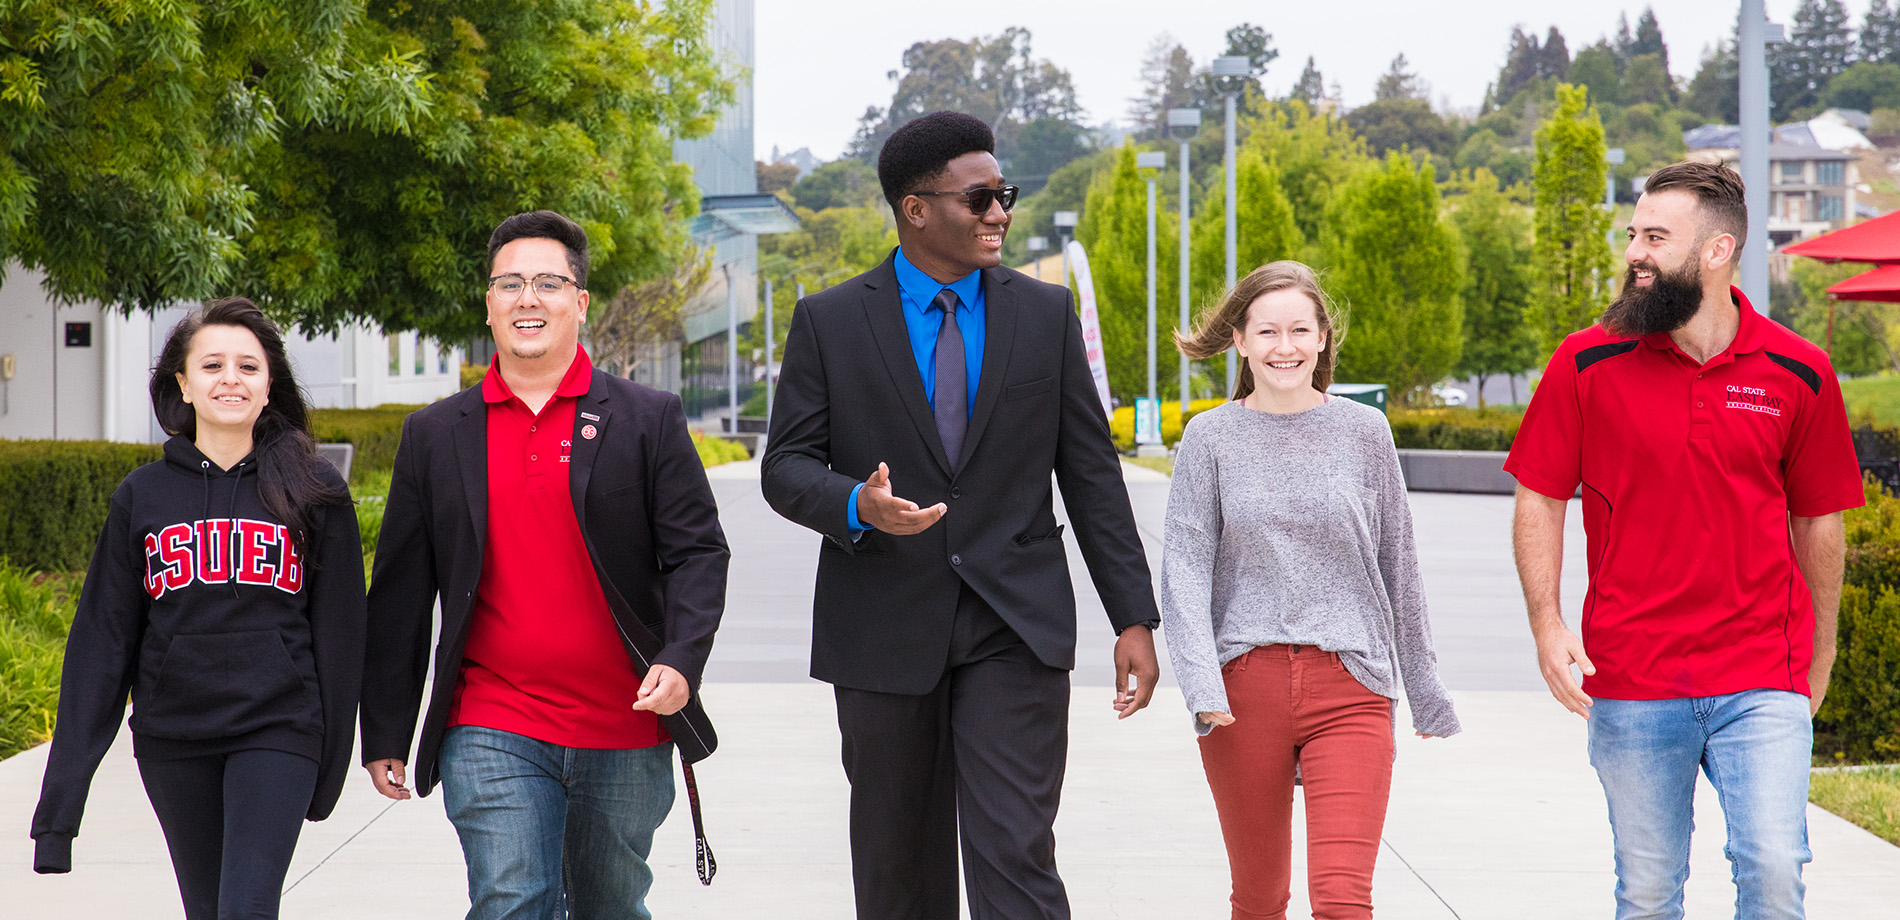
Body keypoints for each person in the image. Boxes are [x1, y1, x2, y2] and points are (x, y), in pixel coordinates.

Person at [760, 110, 1162, 920]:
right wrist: (857, 504)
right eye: (980, 198)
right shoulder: (831, 322)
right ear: (916, 208)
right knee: (896, 863)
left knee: (1015, 848)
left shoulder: (1044, 317)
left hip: (1016, 623)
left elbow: (1090, 475)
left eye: (1003, 195)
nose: (1000, 213)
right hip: (881, 625)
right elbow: (785, 468)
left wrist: (1134, 617)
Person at [1505, 161, 1863, 919]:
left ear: (1716, 251)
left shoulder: (1800, 371)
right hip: (1632, 674)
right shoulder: (1586, 360)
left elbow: (1819, 521)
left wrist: (1821, 651)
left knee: (1772, 870)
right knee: (1648, 891)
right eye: (1633, 233)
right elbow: (1539, 494)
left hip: (1761, 672)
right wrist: (1546, 622)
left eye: (1654, 237)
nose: (1634, 250)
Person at [358, 210, 730, 920]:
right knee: (510, 900)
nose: (528, 298)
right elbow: (402, 594)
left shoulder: (647, 419)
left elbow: (697, 553)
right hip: (492, 718)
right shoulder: (436, 434)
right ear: (489, 303)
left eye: (549, 283)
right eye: (510, 284)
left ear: (580, 302)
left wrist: (682, 660)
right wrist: (385, 730)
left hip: (626, 721)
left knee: (610, 906)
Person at [30, 297, 367, 919]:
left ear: (270, 386)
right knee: (208, 911)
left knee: (246, 908)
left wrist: (331, 762)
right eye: (212, 365)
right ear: (182, 384)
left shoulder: (314, 488)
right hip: (174, 738)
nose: (230, 379)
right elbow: (102, 644)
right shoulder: (142, 496)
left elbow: (343, 633)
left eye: (248, 366)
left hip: (279, 728)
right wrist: (58, 815)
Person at [1161, 261, 1461, 920]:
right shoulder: (1209, 438)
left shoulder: (1364, 433)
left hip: (1351, 686)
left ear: (1324, 338)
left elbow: (1398, 563)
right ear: (1239, 340)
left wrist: (1424, 686)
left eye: (1300, 329)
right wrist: (1202, 687)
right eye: (1267, 331)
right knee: (1259, 900)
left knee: (1343, 899)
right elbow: (1183, 571)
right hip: (1243, 693)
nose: (1285, 346)